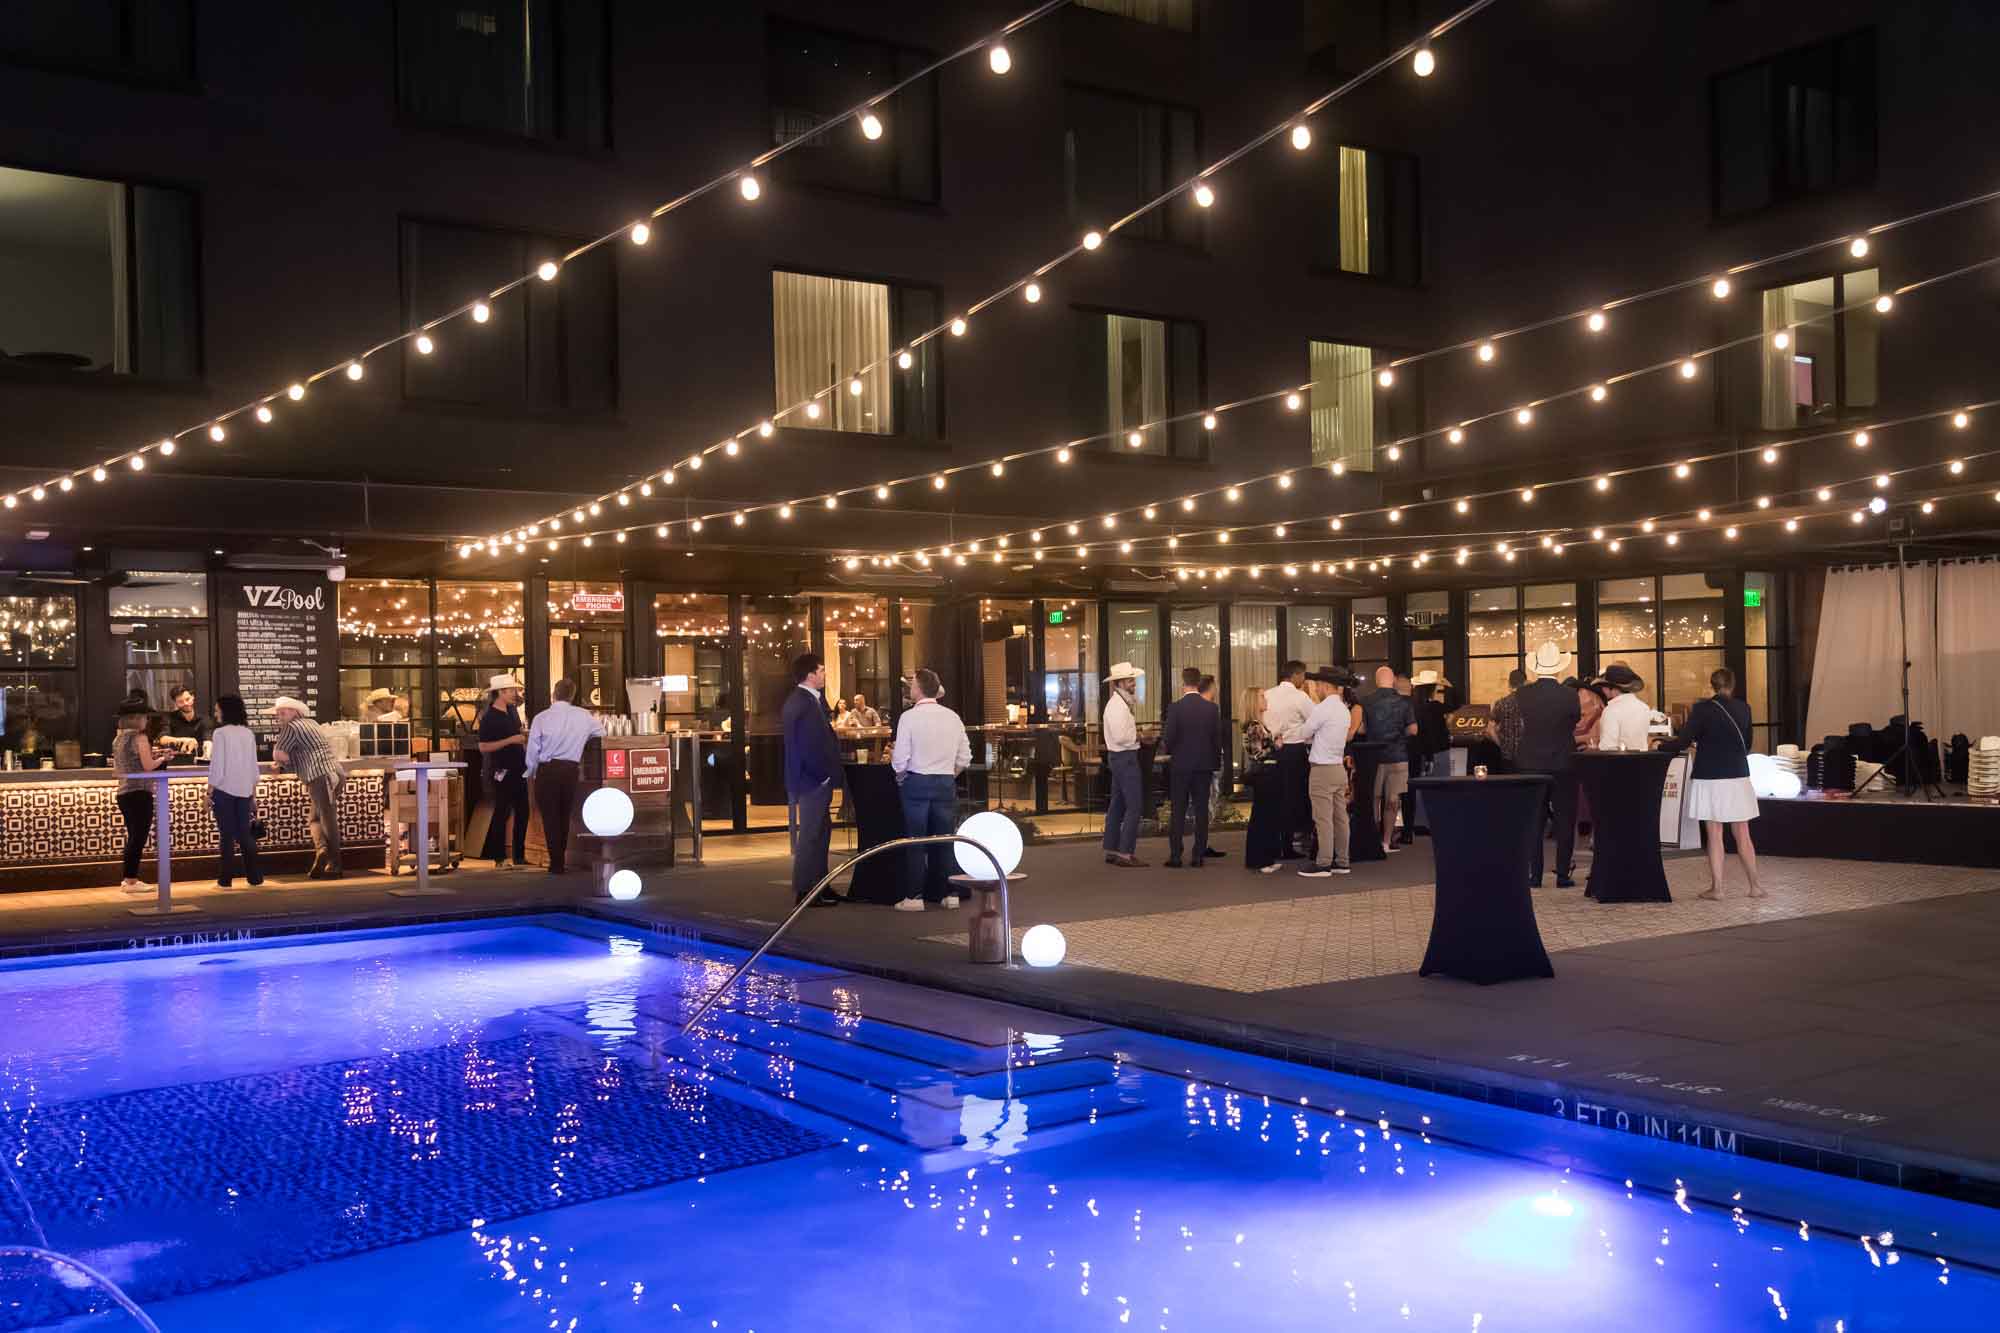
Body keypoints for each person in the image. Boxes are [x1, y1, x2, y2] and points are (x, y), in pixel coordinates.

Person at [1661, 668, 1764, 900]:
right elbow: (1746, 743)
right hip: (1738, 775)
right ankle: (1755, 886)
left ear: (1712, 685)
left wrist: (1659, 746)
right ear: (1732, 685)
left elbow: (1683, 741)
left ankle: (1717, 888)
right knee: (1743, 832)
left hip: (1710, 776)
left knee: (1715, 832)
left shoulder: (1702, 709)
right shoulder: (1743, 708)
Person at [890, 667, 970, 911]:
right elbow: (965, 757)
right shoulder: (952, 717)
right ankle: (950, 894)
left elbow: (900, 759)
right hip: (945, 782)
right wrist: (949, 775)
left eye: (912, 684)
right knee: (945, 840)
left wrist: (901, 776)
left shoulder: (909, 718)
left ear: (918, 688)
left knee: (916, 841)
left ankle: (914, 897)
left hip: (917, 783)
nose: (910, 687)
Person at [1513, 642, 1584, 888]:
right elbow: (1574, 721)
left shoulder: (1522, 694)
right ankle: (1563, 874)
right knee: (1565, 819)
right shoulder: (1569, 695)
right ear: (1558, 668)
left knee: (1534, 820)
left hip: (1530, 762)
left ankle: (1534, 874)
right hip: (1564, 762)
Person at [782, 652, 846, 906]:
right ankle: (805, 890)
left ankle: (820, 885)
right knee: (810, 835)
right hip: (812, 781)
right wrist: (822, 776)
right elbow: (807, 745)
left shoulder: (810, 701)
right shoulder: (803, 703)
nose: (824, 674)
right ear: (810, 676)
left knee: (821, 833)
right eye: (821, 671)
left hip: (815, 779)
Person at [524, 677, 604, 875]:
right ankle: (560, 860)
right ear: (572, 696)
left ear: (554, 694)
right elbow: (602, 732)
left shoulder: (541, 718)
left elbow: (533, 750)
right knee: (564, 815)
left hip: (547, 770)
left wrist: (531, 771)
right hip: (570, 770)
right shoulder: (584, 716)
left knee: (550, 817)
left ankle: (556, 862)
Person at [272, 695, 346, 879]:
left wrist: (282, 763)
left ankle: (335, 866)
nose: (280, 716)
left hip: (319, 776)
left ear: (295, 712)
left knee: (327, 820)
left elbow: (279, 753)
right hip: (336, 772)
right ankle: (322, 851)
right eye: (278, 714)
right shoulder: (312, 723)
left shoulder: (291, 727)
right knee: (315, 818)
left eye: (283, 712)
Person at [1161, 667, 1222, 868]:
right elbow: (1216, 740)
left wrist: (1171, 750)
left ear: (1183, 683)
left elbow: (1168, 738)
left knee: (1178, 810)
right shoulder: (1211, 709)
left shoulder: (1176, 708)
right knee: (1201, 810)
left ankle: (1176, 855)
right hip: (1203, 767)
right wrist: (1214, 764)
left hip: (1181, 766)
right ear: (1199, 682)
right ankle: (1198, 855)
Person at [1297, 668, 1354, 876]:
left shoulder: (1322, 708)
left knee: (1323, 818)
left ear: (1326, 686)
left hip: (1322, 770)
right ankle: (1342, 861)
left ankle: (1323, 863)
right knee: (1341, 817)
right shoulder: (1343, 709)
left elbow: (1305, 732)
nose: (1316, 689)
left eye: (1318, 685)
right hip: (1339, 768)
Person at [206, 693, 263, 887]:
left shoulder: (220, 734)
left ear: (225, 711)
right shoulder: (248, 733)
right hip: (245, 791)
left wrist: (208, 792)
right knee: (244, 834)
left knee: (227, 835)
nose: (215, 713)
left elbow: (217, 768)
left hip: (224, 791)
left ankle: (225, 879)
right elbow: (253, 768)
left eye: (217, 709)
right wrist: (253, 794)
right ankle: (255, 878)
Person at [1359, 666, 1417, 856]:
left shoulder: (1366, 701)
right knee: (1393, 801)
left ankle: (1373, 840)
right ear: (1392, 680)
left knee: (1373, 799)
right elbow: (1413, 730)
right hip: (1398, 756)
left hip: (1373, 757)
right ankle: (1386, 841)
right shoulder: (1404, 702)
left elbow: (1360, 730)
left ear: (1377, 681)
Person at [112, 701, 169, 888]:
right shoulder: (140, 738)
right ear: (136, 719)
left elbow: (134, 761)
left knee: (134, 836)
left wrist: (155, 756)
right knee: (138, 837)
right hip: (140, 792)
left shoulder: (118, 738)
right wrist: (163, 758)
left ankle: (129, 879)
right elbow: (148, 766)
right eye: (144, 717)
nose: (146, 720)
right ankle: (130, 880)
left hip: (124, 793)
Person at [1261, 661, 1314, 858]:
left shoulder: (1267, 694)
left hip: (1274, 749)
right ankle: (1289, 844)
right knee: (1294, 798)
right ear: (1296, 676)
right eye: (1303, 675)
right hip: (1295, 751)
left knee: (1276, 797)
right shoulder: (1300, 696)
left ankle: (1275, 844)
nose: (1305, 679)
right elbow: (1315, 720)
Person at [476, 674, 530, 869]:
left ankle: (519, 855)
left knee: (523, 811)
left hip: (518, 768)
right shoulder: (489, 717)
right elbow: (483, 747)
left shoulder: (513, 711)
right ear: (501, 692)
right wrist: (511, 740)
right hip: (502, 770)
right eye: (512, 690)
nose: (515, 694)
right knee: (502, 812)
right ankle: (499, 857)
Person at [1101, 660, 1146, 868]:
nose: (1133, 684)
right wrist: (1140, 736)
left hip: (1119, 758)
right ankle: (1125, 853)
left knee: (1117, 804)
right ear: (1119, 683)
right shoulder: (1118, 706)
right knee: (1134, 806)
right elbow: (1121, 737)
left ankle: (1111, 849)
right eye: (1130, 680)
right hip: (1125, 757)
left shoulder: (1117, 703)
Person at [1196, 674, 1227, 860]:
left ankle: (1203, 843)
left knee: (1206, 804)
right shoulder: (1210, 709)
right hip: (1209, 763)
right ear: (1210, 687)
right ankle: (1202, 845)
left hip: (1200, 763)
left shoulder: (1196, 707)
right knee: (1208, 803)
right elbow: (1214, 738)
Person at [1596, 664, 1654, 751]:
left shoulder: (1611, 711)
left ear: (1613, 688)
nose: (1602, 689)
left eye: (1604, 686)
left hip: (1620, 762)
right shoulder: (1644, 707)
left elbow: (1607, 747)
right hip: (1642, 762)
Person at [1485, 668, 1528, 772]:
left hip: (1507, 757)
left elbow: (1489, 730)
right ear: (1525, 683)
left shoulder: (1501, 703)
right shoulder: (1530, 703)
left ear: (1509, 684)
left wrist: (1502, 745)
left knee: (1509, 786)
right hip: (1527, 756)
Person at [163, 685, 211, 753]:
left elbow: (208, 739)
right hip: (177, 760)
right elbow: (163, 739)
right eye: (180, 701)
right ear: (175, 703)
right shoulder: (169, 718)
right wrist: (184, 740)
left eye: (187, 699)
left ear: (193, 697)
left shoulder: (204, 719)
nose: (185, 703)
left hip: (199, 760)